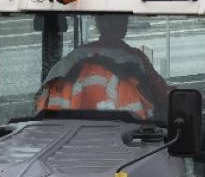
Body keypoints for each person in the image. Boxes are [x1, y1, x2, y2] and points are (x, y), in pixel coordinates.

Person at [35, 12, 171, 119]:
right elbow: (161, 93)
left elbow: (42, 100)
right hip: (130, 134)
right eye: (123, 20)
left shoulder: (73, 58)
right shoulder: (135, 59)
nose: (124, 23)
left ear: (98, 23)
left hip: (65, 130)